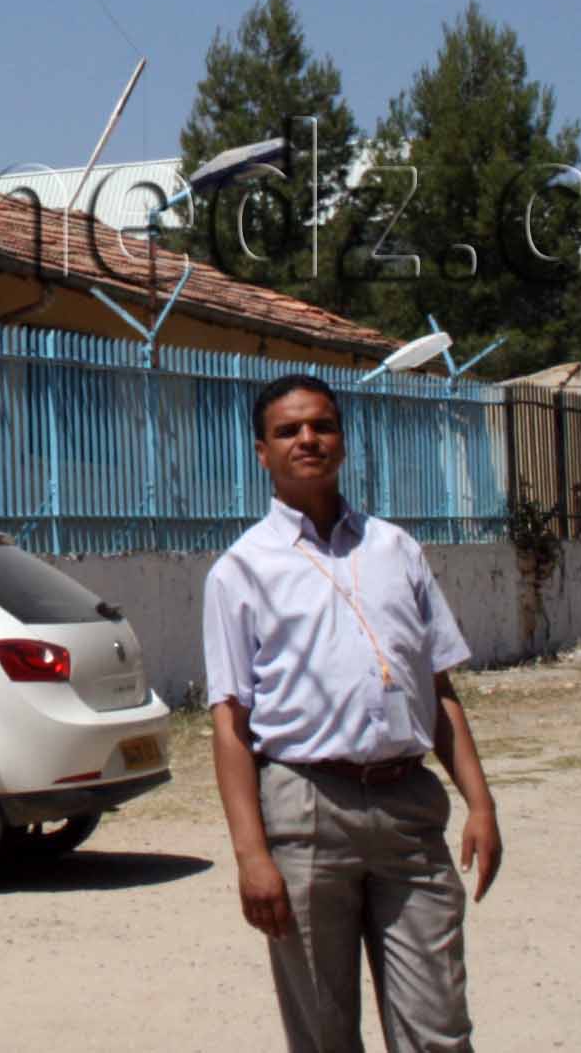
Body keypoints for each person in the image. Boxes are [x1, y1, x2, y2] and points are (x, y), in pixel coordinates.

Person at [202, 372, 504, 1053]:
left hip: (408, 811)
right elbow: (229, 722)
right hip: (306, 810)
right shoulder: (240, 571)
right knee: (323, 1033)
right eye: (288, 430)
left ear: (342, 437)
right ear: (262, 452)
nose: (307, 439)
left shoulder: (397, 550)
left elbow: (440, 690)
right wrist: (252, 855)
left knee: (439, 1028)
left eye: (322, 425)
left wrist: (479, 803)